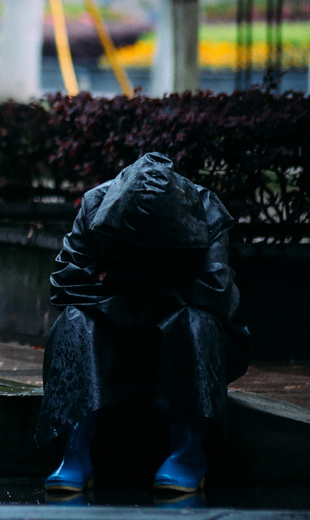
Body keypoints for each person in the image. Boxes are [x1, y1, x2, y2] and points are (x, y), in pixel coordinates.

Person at [37, 152, 250, 494]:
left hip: (182, 337)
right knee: (75, 320)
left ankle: (188, 450)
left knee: (194, 320)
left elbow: (216, 294)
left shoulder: (206, 208)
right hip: (116, 335)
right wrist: (168, 286)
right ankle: (74, 452)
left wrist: (127, 278)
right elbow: (65, 284)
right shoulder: (95, 204)